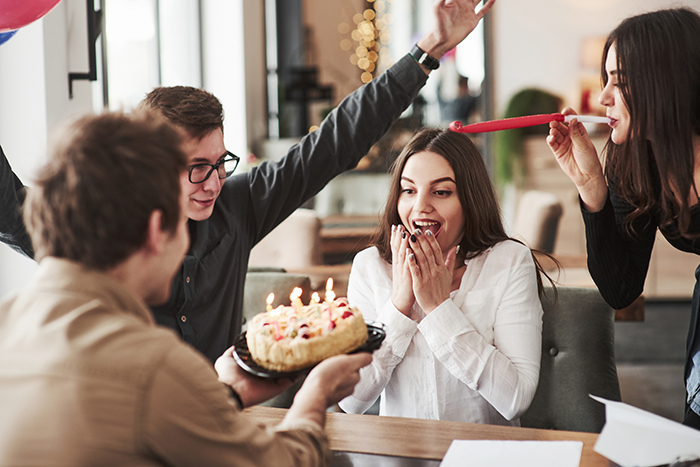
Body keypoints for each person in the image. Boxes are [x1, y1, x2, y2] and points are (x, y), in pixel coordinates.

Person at [0, 0, 496, 364]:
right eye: (196, 167)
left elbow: (333, 143)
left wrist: (426, 53)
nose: (212, 183)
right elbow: (9, 207)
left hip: (222, 425)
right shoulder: (101, 231)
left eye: (221, 163)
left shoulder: (237, 205)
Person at [0, 110, 372, 465]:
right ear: (155, 229)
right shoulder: (155, 364)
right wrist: (315, 394)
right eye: (182, 220)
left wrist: (229, 394)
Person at [545, 7, 700, 430]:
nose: (603, 97)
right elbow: (620, 289)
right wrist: (592, 190)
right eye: (606, 79)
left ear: (667, 85)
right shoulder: (638, 162)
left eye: (622, 82)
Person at [338, 128, 546, 425]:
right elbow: (352, 399)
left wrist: (438, 309)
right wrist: (399, 306)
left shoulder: (509, 261)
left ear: (470, 200)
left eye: (441, 191)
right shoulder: (369, 267)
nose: (420, 206)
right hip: (401, 457)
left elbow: (516, 400)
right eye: (409, 190)